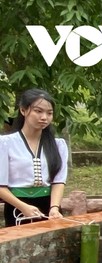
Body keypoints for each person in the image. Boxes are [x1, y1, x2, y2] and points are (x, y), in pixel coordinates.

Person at [0, 88, 68, 227]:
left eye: (49, 113)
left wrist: (54, 208)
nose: (44, 117)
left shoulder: (58, 145)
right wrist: (23, 207)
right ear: (23, 110)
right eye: (38, 111)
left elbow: (59, 181)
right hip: (17, 207)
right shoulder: (5, 143)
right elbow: (1, 185)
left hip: (49, 207)